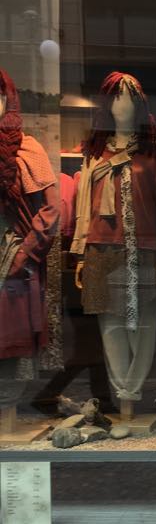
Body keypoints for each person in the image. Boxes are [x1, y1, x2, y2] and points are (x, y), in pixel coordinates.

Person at [70, 72, 156, 416]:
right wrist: (81, 256)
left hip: (142, 252)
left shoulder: (153, 154)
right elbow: (84, 207)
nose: (123, 104)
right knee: (112, 328)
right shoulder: (94, 154)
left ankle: (131, 394)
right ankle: (123, 398)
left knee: (143, 328)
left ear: (140, 104)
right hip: (101, 250)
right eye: (117, 97)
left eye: (130, 97)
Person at [0, 68, 59, 412]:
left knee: (11, 336)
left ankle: (7, 411)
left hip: (13, 255)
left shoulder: (28, 148)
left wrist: (24, 255)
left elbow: (51, 210)